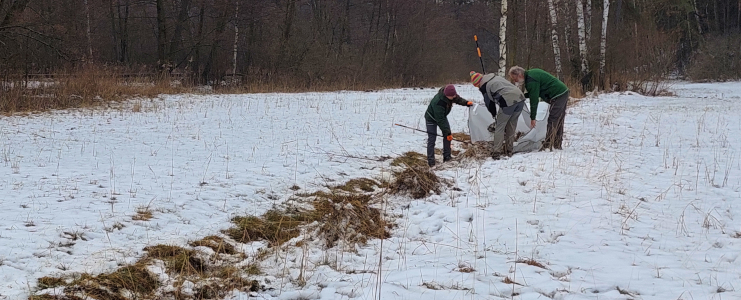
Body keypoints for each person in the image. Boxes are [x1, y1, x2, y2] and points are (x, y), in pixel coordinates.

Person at [507, 66, 569, 150]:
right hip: (562, 92)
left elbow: (534, 100)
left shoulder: (531, 80)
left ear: (520, 75)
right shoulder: (531, 75)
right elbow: (534, 92)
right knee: (558, 119)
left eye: (515, 79)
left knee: (553, 119)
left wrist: (533, 118)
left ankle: (548, 145)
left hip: (558, 94)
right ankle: (557, 144)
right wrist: (522, 96)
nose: (515, 81)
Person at [470, 71, 526, 159]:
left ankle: (496, 152)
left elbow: (489, 103)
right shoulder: (495, 78)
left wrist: (494, 114)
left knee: (500, 127)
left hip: (508, 102)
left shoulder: (485, 86)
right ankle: (509, 150)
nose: (478, 88)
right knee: (512, 125)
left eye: (477, 86)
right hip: (520, 99)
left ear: (478, 83)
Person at [424, 84, 472, 167]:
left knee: (447, 136)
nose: (454, 97)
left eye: (454, 95)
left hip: (441, 116)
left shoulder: (452, 95)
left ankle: (447, 157)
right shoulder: (438, 102)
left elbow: (458, 99)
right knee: (432, 139)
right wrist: (447, 132)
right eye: (452, 96)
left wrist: (466, 103)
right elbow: (440, 120)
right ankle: (431, 161)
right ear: (446, 95)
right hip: (431, 119)